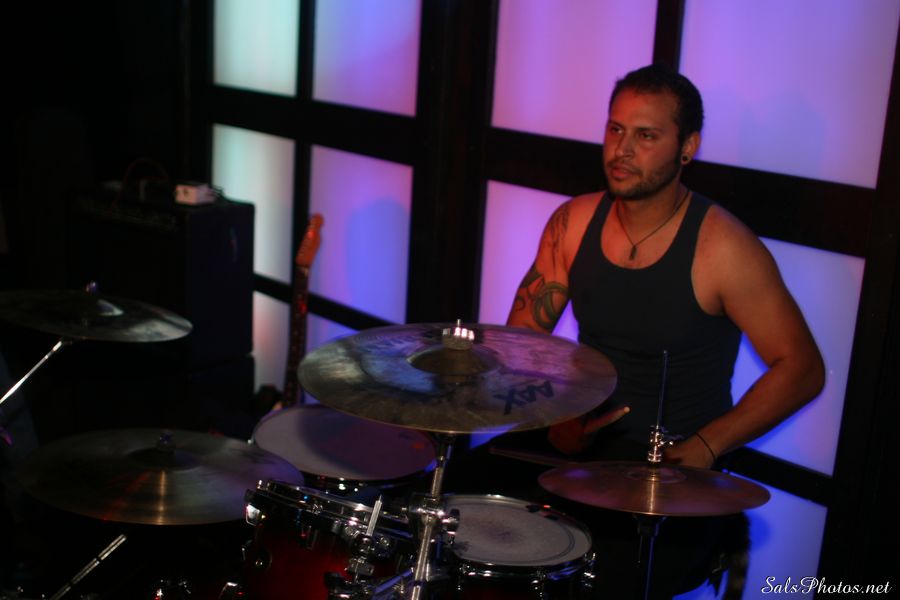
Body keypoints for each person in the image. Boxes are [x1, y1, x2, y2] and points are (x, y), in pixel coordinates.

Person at [460, 63, 825, 599]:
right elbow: (521, 347)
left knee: (597, 578)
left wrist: (707, 445)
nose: (622, 149)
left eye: (646, 136)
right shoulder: (573, 223)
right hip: (576, 446)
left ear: (687, 147)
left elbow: (803, 368)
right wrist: (556, 415)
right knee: (450, 511)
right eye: (616, 129)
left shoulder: (723, 248)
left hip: (672, 468)